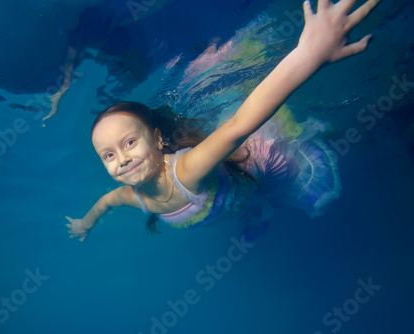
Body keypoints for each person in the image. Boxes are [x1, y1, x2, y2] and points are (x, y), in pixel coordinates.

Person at [66, 0, 381, 242]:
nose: (121, 160)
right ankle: (256, 205)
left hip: (265, 158)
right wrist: (86, 223)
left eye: (129, 143)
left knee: (299, 155)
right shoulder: (132, 195)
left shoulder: (187, 172)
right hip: (232, 191)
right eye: (109, 155)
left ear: (159, 140)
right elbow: (106, 202)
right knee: (253, 191)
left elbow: (239, 125)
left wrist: (310, 55)